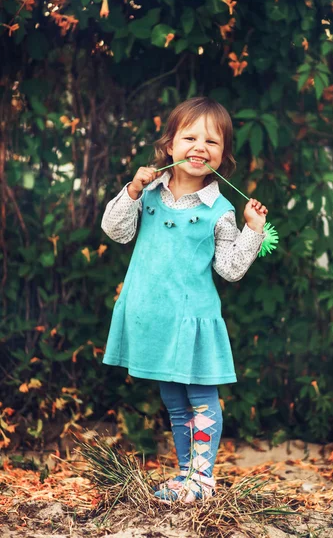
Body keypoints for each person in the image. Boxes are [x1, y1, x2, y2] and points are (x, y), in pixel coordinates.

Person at [101, 96, 268, 504]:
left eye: (212, 141)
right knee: (174, 400)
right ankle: (185, 476)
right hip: (155, 316)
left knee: (201, 397)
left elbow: (229, 269)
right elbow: (115, 231)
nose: (199, 147)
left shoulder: (221, 209)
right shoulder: (150, 194)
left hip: (193, 319)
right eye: (189, 136)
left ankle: (203, 479)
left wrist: (253, 230)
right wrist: (132, 190)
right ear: (169, 145)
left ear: (223, 154)